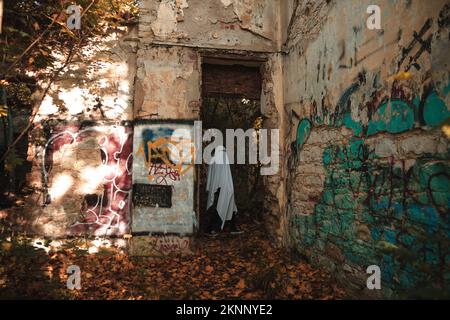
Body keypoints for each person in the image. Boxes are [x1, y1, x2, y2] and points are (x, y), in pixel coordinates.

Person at [205, 146, 242, 235]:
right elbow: (219, 174)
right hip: (221, 187)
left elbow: (221, 174)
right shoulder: (220, 157)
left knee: (230, 205)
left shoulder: (218, 157)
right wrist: (221, 186)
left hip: (223, 186)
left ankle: (232, 227)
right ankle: (211, 229)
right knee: (220, 206)